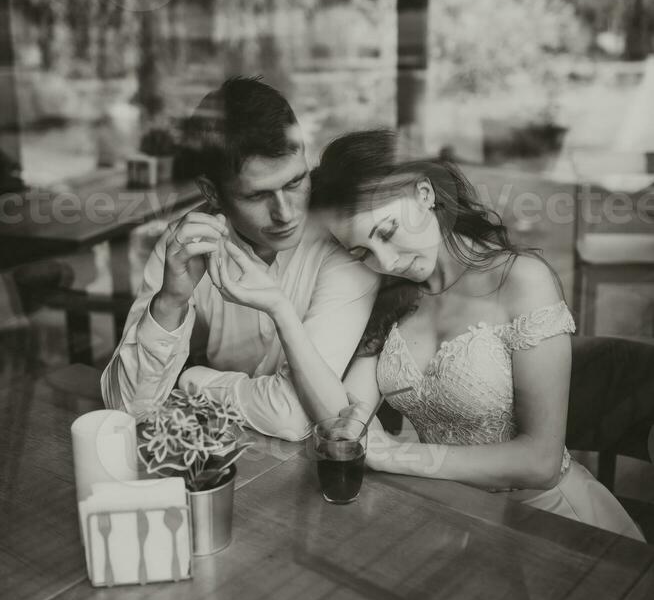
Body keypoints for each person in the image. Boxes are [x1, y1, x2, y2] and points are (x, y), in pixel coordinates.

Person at [216, 126, 642, 539]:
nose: (385, 262)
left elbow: (541, 462)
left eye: (387, 232)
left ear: (424, 194)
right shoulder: (391, 298)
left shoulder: (522, 280)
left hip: (550, 522)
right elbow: (344, 420)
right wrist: (281, 313)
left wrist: (395, 454)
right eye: (362, 251)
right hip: (454, 519)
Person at [101, 78, 378, 440]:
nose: (286, 214)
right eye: (258, 196)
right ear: (211, 193)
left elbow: (292, 418)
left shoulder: (345, 241)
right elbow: (125, 410)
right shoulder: (186, 246)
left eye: (295, 183)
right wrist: (170, 303)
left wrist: (190, 379)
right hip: (229, 452)